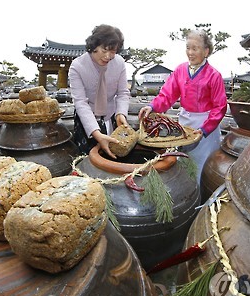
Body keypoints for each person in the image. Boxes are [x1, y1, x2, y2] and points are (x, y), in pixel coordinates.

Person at [138, 30, 227, 181]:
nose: (190, 53)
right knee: (183, 163)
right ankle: (185, 195)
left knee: (202, 166)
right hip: (185, 123)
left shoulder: (214, 75)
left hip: (206, 126)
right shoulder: (180, 70)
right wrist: (152, 107)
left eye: (195, 48)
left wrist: (205, 129)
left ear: (206, 51)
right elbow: (167, 94)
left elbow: (220, 107)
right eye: (188, 48)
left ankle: (199, 201)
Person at [69, 24, 130, 158]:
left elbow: (122, 93)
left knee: (114, 155)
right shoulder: (77, 66)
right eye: (104, 50)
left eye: (113, 51)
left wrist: (121, 114)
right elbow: (80, 102)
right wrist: (96, 133)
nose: (108, 56)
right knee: (88, 159)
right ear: (94, 46)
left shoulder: (119, 63)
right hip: (87, 117)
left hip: (110, 115)